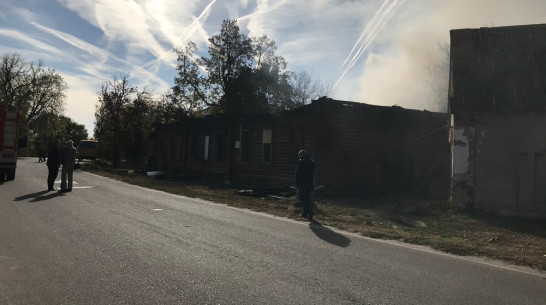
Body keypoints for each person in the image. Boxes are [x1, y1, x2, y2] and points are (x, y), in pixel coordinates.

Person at [295, 149, 315, 220]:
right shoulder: (312, 161)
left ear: (302, 155)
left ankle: (310, 211)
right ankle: (304, 213)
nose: (299, 156)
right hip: (310, 183)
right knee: (307, 198)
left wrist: (297, 183)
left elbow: (298, 173)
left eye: (299, 155)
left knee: (303, 198)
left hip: (302, 183)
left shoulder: (301, 161)